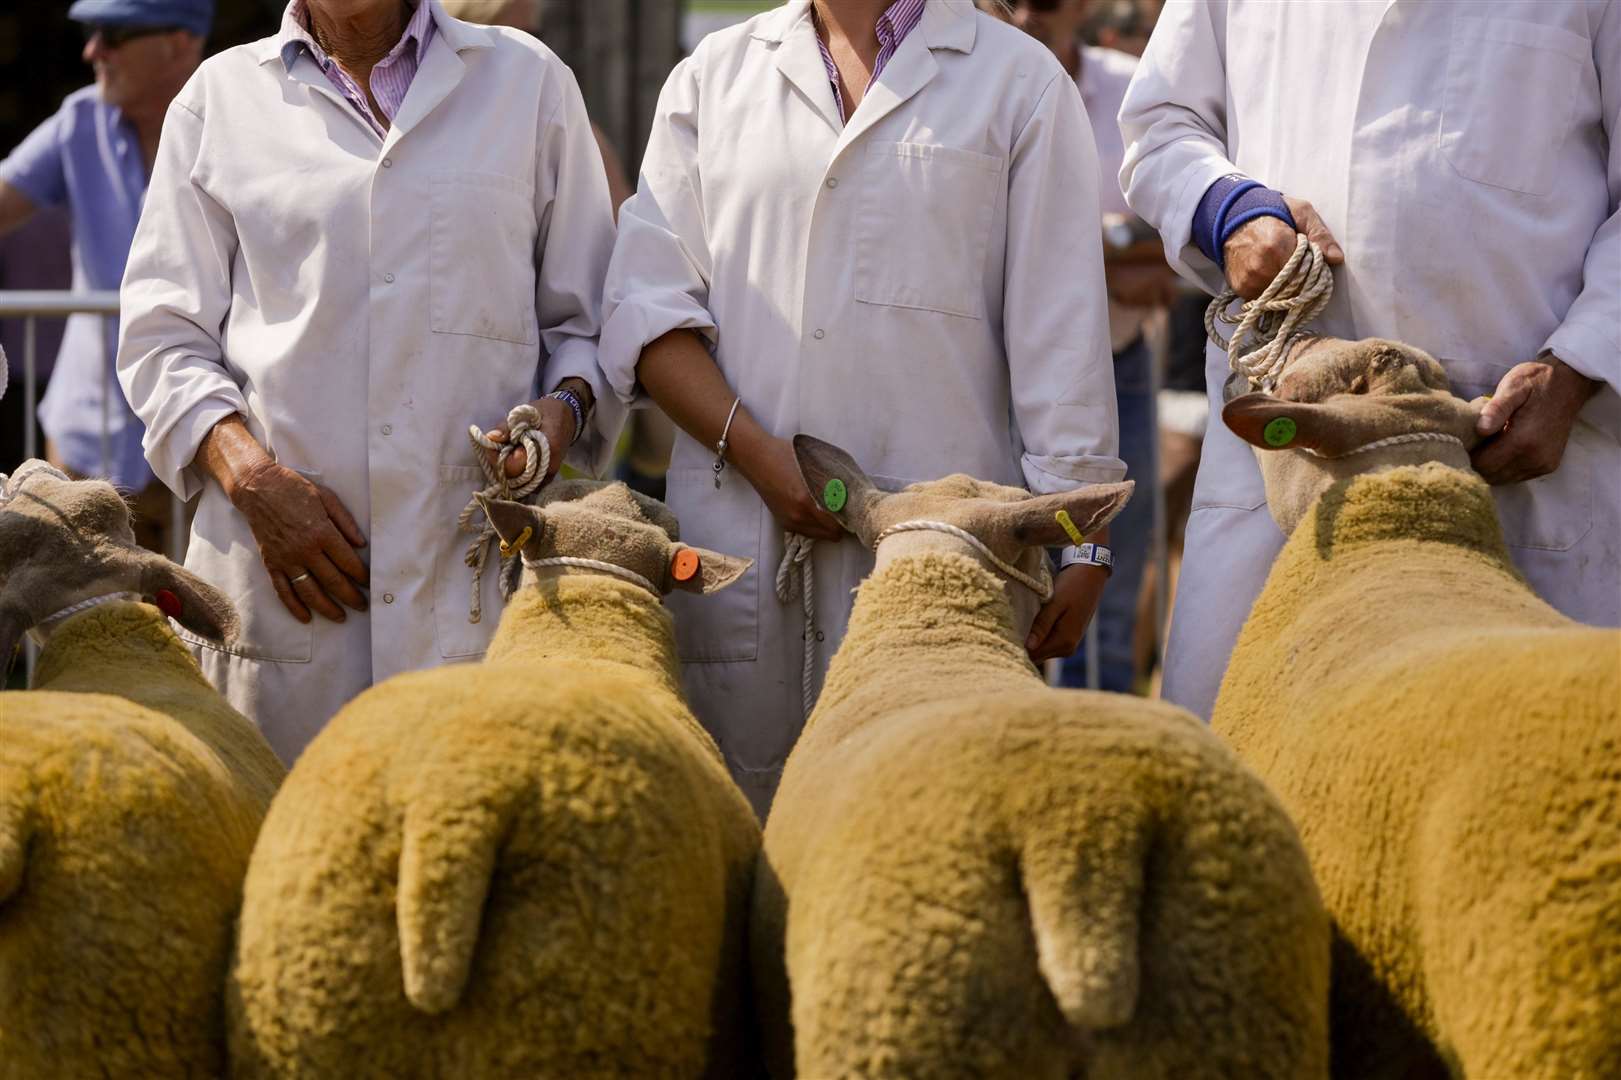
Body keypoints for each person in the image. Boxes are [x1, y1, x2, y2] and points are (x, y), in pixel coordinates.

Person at [601, 0, 1124, 812]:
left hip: (942, 558)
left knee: (926, 845)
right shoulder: (712, 78)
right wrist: (760, 457)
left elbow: (1061, 333)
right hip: (745, 538)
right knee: (738, 848)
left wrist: (1083, 550)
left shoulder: (1018, 83)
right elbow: (649, 312)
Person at [118, 0, 619, 762]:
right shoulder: (218, 100)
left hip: (473, 587)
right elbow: (162, 337)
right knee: (279, 862)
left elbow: (586, 323)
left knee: (459, 848)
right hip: (283, 592)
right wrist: (250, 477)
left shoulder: (528, 83)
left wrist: (564, 410)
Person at [1119, 1, 1621, 720]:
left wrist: (1575, 370)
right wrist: (1225, 210)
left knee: (1513, 772)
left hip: (1516, 448)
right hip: (1283, 441)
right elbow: (1162, 122)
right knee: (1254, 764)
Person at [1006, 0, 1176, 694]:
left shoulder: (1130, 84)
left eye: (1042, 0)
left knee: (1104, 581)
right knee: (1004, 586)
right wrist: (1114, 249)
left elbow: (1172, 232)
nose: (1023, 14)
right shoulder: (984, 79)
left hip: (1119, 366)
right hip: (1005, 380)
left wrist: (1105, 248)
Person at [0, 0, 210, 547]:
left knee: (195, 627)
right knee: (73, 627)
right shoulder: (79, 120)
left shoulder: (243, 126)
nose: (93, 50)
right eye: (92, 33)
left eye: (114, 33)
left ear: (181, 43)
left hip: (207, 442)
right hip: (84, 443)